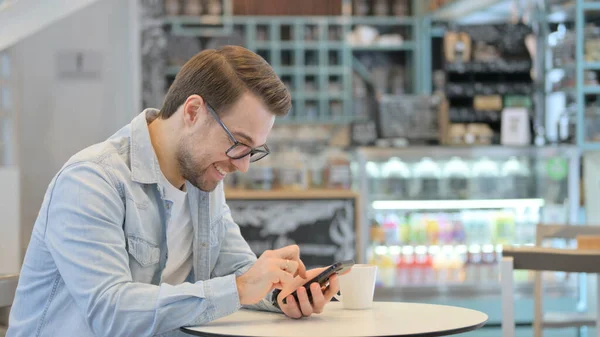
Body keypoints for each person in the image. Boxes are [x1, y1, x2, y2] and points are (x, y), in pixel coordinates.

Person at [7, 46, 341, 337]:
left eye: (252, 151)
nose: (243, 166)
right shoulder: (91, 180)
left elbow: (238, 271)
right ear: (193, 112)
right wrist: (241, 289)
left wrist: (283, 290)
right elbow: (110, 313)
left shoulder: (203, 180)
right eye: (238, 144)